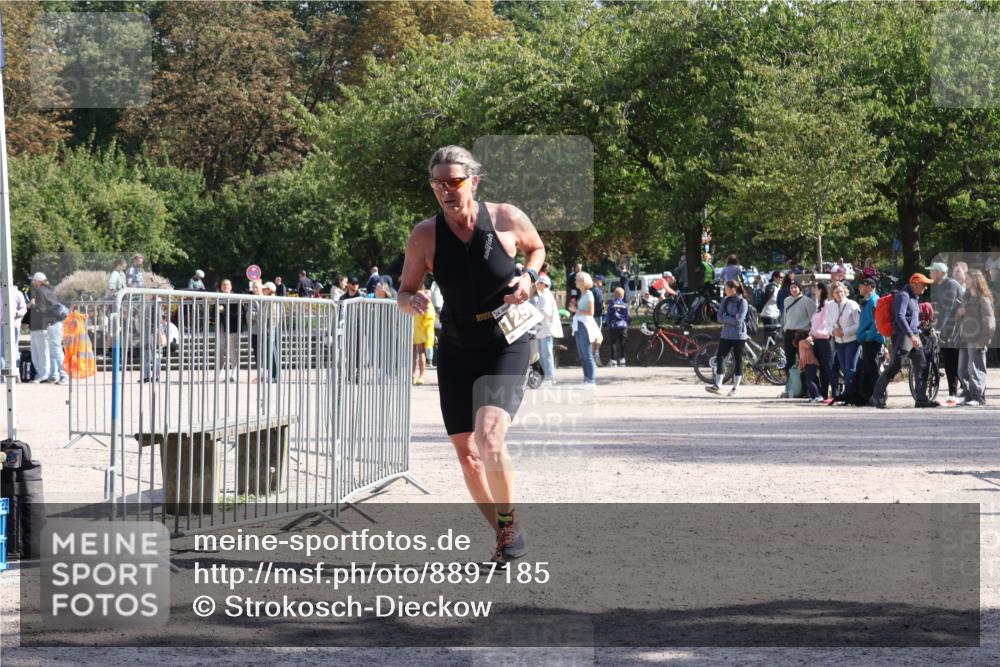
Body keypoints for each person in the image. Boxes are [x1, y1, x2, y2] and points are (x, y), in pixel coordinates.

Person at [396, 145, 544, 565]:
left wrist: (530, 280)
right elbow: (405, 291)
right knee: (468, 454)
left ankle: (509, 525)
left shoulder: (505, 218)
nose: (446, 190)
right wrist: (412, 301)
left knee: (490, 435)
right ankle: (505, 534)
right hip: (458, 344)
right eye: (438, 183)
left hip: (506, 339)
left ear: (474, 182)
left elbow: (537, 249)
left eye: (454, 181)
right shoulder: (425, 235)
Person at [870, 273, 938, 409]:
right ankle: (876, 397)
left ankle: (921, 399)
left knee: (922, 363)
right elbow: (900, 317)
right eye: (923, 285)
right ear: (914, 283)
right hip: (904, 336)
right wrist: (911, 336)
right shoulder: (903, 296)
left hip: (912, 335)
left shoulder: (914, 297)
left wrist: (921, 324)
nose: (925, 288)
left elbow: (911, 317)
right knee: (895, 366)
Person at [956, 269, 995, 406]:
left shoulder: (983, 299)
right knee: (962, 370)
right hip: (964, 338)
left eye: (968, 279)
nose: (965, 281)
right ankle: (968, 395)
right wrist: (960, 314)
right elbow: (958, 319)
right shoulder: (966, 298)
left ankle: (978, 397)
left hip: (977, 339)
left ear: (976, 280)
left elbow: (989, 321)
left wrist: (983, 340)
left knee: (976, 369)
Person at [927, 261, 963, 405]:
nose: (930, 274)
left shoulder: (951, 285)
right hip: (949, 329)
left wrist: (938, 328)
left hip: (957, 330)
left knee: (956, 362)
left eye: (932, 271)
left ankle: (963, 391)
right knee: (949, 362)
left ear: (940, 273)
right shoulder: (940, 286)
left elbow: (948, 310)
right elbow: (940, 311)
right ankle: (952, 393)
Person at [706, 280, 748, 396]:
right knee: (720, 357)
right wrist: (732, 317)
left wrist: (728, 317)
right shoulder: (725, 300)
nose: (724, 291)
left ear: (733, 289)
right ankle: (718, 385)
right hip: (726, 334)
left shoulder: (742, 302)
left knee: (738, 360)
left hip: (739, 336)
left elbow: (740, 321)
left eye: (726, 289)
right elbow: (719, 318)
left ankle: (735, 388)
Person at [28, 272, 68, 385]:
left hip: (51, 323)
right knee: (53, 351)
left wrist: (33, 305)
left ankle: (64, 375)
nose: (33, 282)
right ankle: (54, 375)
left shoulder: (40, 291)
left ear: (38, 281)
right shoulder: (51, 290)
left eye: (34, 280)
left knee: (56, 350)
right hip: (58, 322)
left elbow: (41, 309)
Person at [825, 282, 860, 403]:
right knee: (844, 369)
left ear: (845, 292)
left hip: (852, 341)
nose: (839, 294)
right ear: (832, 294)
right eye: (836, 292)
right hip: (839, 342)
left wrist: (845, 332)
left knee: (850, 368)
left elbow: (858, 324)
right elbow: (827, 324)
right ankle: (848, 395)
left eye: (841, 291)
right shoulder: (830, 306)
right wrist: (833, 331)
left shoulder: (852, 304)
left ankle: (850, 396)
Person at [780, 280, 815, 397]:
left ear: (800, 288)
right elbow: (785, 317)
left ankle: (806, 389)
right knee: (789, 361)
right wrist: (784, 328)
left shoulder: (807, 301)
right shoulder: (787, 300)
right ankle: (790, 388)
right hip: (789, 332)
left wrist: (811, 335)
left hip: (801, 333)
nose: (793, 289)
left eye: (795, 287)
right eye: (791, 287)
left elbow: (813, 319)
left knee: (803, 361)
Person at [854, 277, 885, 406]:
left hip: (872, 341)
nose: (860, 287)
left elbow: (877, 322)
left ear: (871, 287)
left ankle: (880, 396)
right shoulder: (868, 301)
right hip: (867, 340)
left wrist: (868, 336)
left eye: (863, 285)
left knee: (873, 370)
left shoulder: (874, 300)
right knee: (866, 370)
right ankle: (868, 396)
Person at [531, 275, 562, 382]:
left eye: (539, 283)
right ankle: (546, 377)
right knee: (543, 355)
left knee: (547, 354)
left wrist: (534, 314)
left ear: (544, 284)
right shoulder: (543, 295)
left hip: (546, 330)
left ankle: (550, 377)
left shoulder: (546, 296)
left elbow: (545, 312)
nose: (537, 285)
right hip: (542, 329)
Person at [571, 271, 600, 384]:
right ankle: (586, 379)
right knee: (582, 355)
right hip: (578, 324)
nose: (575, 281)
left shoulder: (589, 294)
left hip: (585, 325)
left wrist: (576, 310)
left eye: (577, 279)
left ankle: (591, 380)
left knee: (587, 354)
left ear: (583, 282)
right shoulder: (582, 294)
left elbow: (591, 312)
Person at [808, 282, 835, 402]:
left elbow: (827, 323)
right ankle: (824, 394)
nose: (814, 292)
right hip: (816, 340)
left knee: (829, 368)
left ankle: (836, 393)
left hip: (824, 340)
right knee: (822, 369)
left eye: (815, 289)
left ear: (820, 290)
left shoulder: (827, 305)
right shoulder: (819, 306)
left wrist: (822, 333)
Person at [411, 278, 436, 386]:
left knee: (419, 351)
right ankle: (414, 375)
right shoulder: (414, 295)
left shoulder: (423, 296)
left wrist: (426, 329)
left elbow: (429, 314)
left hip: (419, 326)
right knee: (414, 352)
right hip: (414, 326)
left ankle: (419, 375)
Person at [217, 279, 242, 382]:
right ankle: (220, 372)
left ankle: (234, 372)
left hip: (232, 327)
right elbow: (213, 313)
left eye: (228, 285)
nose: (226, 286)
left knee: (233, 349)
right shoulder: (218, 297)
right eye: (224, 285)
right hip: (221, 326)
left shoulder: (236, 298)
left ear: (231, 287)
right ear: (221, 287)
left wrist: (224, 311)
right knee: (220, 349)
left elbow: (238, 314)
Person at [1, 284, 28, 375]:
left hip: (14, 325)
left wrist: (17, 313)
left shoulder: (18, 293)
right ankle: (2, 375)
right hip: (1, 325)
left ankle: (16, 374)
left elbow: (23, 309)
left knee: (14, 349)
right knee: (1, 350)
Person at [605, 286, 630, 367]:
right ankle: (623, 360)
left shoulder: (611, 305)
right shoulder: (625, 305)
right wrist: (627, 323)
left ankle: (613, 361)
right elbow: (628, 316)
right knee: (623, 343)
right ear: (622, 296)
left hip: (613, 326)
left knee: (613, 343)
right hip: (623, 326)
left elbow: (608, 316)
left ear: (614, 295)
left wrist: (608, 324)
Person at [796, 331, 822, 402]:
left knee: (809, 381)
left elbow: (807, 344)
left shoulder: (802, 342)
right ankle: (813, 397)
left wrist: (810, 338)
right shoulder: (804, 342)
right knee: (809, 381)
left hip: (810, 363)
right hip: (809, 364)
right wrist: (810, 338)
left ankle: (818, 396)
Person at [591, 275, 605, 364]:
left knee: (592, 336)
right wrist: (603, 307)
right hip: (597, 316)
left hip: (590, 316)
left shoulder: (590, 290)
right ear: (598, 281)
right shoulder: (598, 291)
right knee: (599, 337)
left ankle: (592, 356)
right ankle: (596, 355)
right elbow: (600, 304)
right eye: (602, 283)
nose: (602, 285)